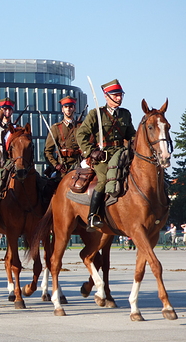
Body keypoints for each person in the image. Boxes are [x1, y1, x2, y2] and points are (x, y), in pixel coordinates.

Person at [76, 79, 136, 232]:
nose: (119, 98)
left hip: (122, 154)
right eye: (115, 95)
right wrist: (90, 151)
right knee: (103, 180)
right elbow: (81, 134)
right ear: (106, 96)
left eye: (120, 95)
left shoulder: (125, 114)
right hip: (103, 157)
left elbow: (131, 135)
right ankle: (93, 216)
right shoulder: (96, 114)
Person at [44, 96, 82, 178]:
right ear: (62, 109)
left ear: (74, 109)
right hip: (63, 167)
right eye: (66, 107)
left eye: (71, 107)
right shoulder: (56, 128)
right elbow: (47, 151)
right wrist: (56, 165)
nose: (68, 109)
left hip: (80, 164)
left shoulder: (81, 126)